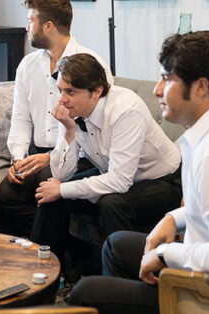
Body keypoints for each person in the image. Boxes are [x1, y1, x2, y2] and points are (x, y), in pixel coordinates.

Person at [69, 31, 209, 313]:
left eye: (167, 79)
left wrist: (164, 254)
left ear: (200, 87)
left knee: (87, 292)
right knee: (117, 245)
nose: (158, 89)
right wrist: (174, 218)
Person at [30, 53, 182, 267]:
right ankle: (43, 272)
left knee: (111, 204)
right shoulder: (73, 111)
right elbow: (60, 175)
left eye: (70, 91)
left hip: (164, 181)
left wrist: (62, 189)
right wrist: (68, 131)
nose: (62, 99)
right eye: (60, 90)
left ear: (97, 91)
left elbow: (120, 182)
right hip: (114, 174)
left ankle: (119, 280)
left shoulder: (125, 110)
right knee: (50, 195)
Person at [0, 0, 113, 237]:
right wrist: (18, 158)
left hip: (80, 156)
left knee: (46, 188)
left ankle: (47, 260)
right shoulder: (27, 66)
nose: (27, 27)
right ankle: (70, 249)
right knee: (5, 195)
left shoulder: (92, 64)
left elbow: (100, 128)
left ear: (47, 26)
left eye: (31, 21)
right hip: (36, 154)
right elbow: (20, 118)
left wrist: (51, 157)